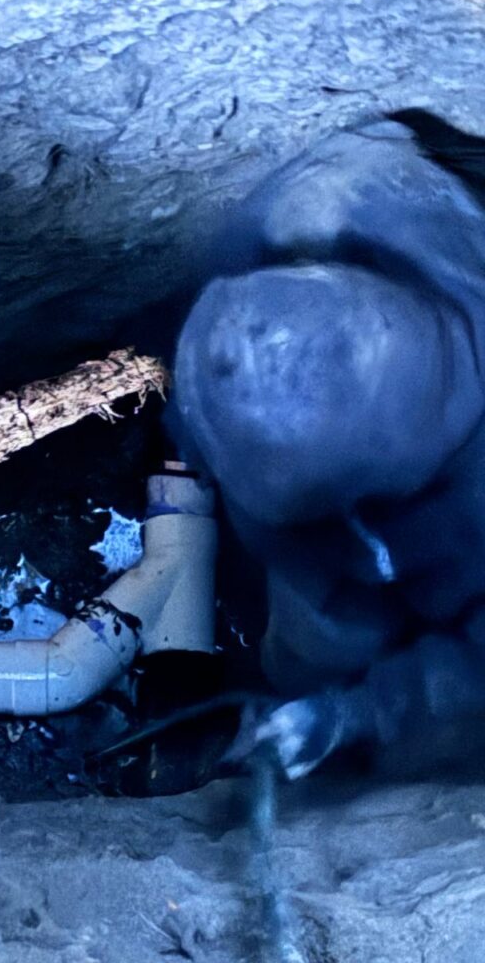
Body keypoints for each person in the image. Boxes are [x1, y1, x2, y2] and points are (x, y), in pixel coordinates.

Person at [173, 110, 485, 778]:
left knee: (329, 640)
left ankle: (295, 714)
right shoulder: (366, 206)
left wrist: (350, 716)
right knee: (316, 631)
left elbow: (475, 684)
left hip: (453, 565)